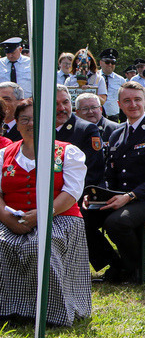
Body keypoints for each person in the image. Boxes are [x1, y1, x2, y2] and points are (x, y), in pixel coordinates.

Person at [0, 99, 91, 326]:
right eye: (24, 119)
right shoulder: (4, 154)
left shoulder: (67, 152)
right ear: (16, 124)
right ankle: (8, 309)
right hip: (11, 218)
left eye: (36, 119)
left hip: (59, 216)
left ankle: (52, 313)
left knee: (39, 246)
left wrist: (42, 215)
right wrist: (7, 219)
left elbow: (72, 192)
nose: (31, 124)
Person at [84, 82, 145, 284]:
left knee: (117, 222)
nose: (133, 104)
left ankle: (136, 271)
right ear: (119, 104)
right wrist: (96, 197)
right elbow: (110, 175)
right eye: (127, 100)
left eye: (137, 99)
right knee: (81, 218)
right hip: (121, 198)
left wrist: (130, 196)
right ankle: (116, 265)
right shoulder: (117, 134)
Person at [55, 85, 105, 188]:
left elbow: (93, 171)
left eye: (65, 102)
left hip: (75, 191)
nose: (62, 108)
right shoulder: (39, 129)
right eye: (55, 104)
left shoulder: (86, 130)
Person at [98, 49, 126, 120]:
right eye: (107, 62)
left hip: (114, 117)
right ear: (101, 63)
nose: (110, 65)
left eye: (113, 62)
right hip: (97, 116)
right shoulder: (94, 77)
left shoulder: (121, 80)